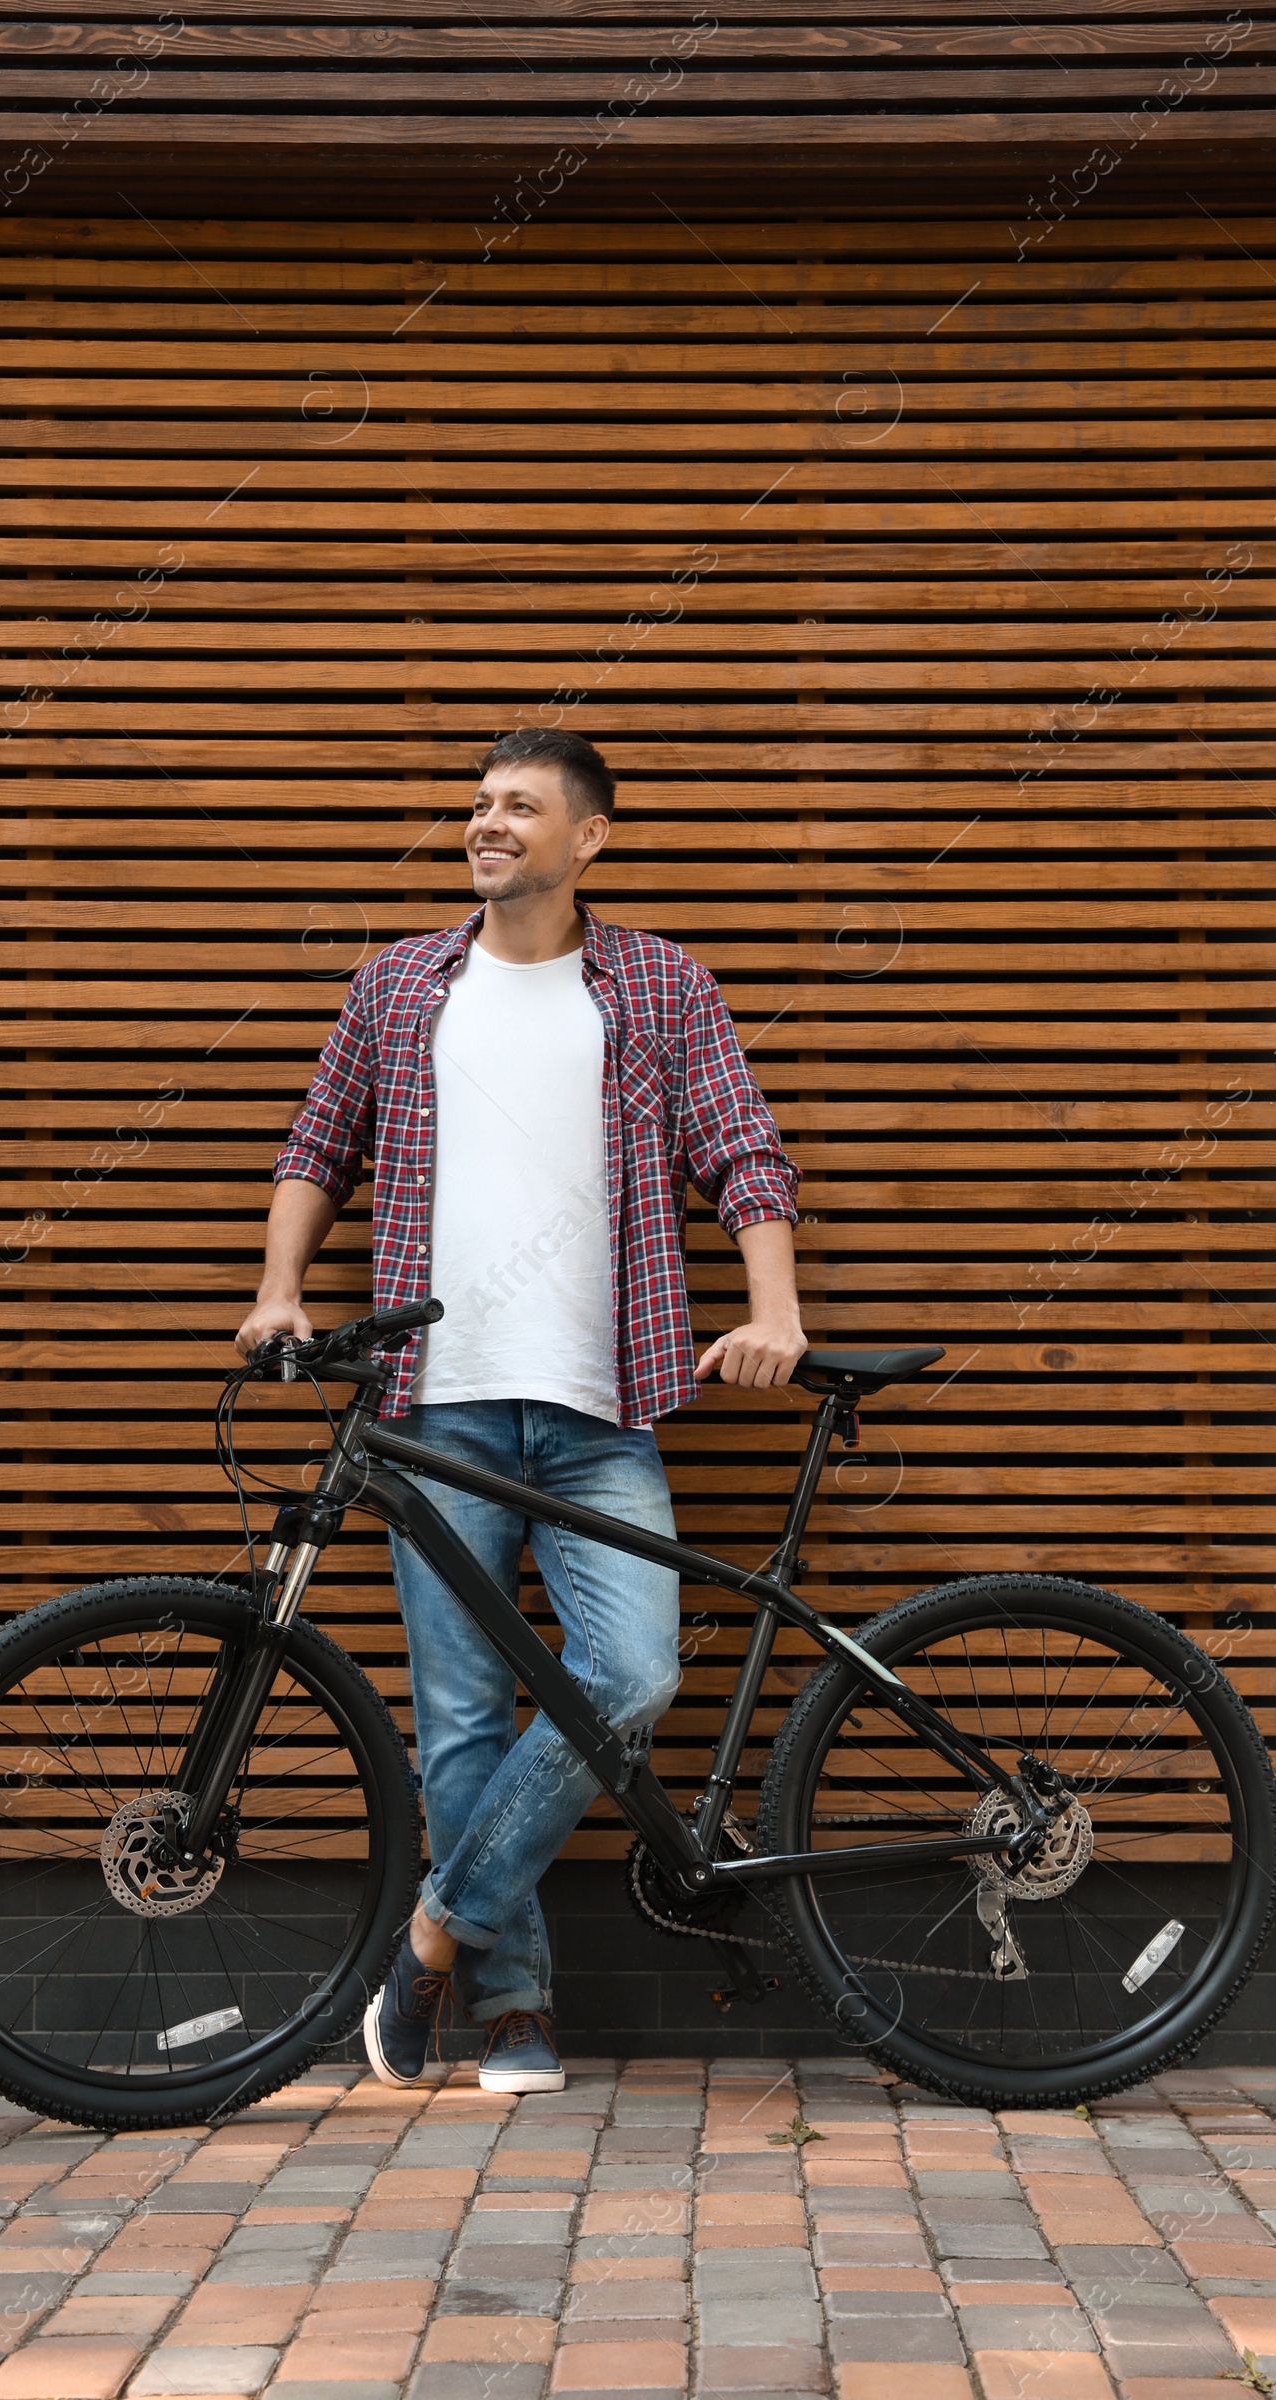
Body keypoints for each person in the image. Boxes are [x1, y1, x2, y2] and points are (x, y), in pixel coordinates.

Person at [236, 727, 804, 2093]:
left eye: (519, 807)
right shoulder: (397, 986)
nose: (487, 824)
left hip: (605, 1405)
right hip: (436, 1410)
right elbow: (320, 1142)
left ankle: (431, 1937)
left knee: (630, 1674)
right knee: (463, 1719)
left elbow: (742, 1150)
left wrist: (776, 1308)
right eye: (479, 805)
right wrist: (278, 1290)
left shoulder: (661, 985)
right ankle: (513, 2007)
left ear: (588, 839)